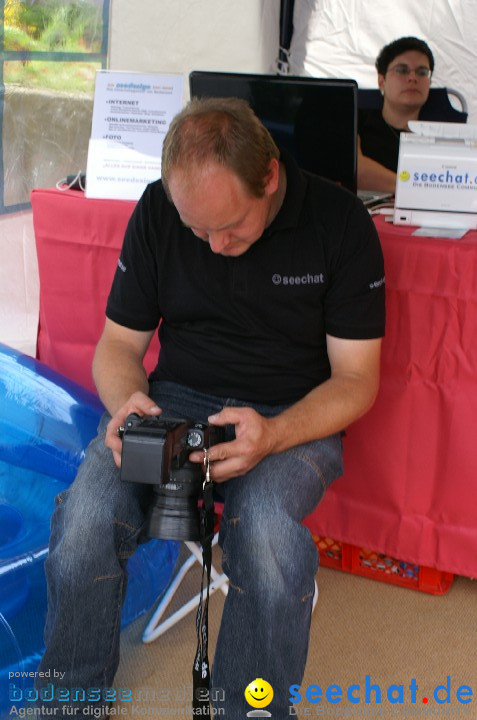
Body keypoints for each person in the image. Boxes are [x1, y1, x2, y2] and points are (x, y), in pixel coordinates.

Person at [35, 97, 385, 718]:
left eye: (231, 227)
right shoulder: (157, 210)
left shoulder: (339, 224)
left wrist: (274, 433)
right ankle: (68, 706)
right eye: (198, 230)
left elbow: (356, 380)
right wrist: (126, 404)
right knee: (85, 522)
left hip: (293, 412)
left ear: (270, 176)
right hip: (175, 402)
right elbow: (119, 344)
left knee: (270, 541)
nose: (216, 245)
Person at [358, 36, 434, 193]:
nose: (413, 78)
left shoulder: (442, 134)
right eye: (402, 70)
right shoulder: (357, 120)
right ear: (381, 81)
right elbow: (356, 170)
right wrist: (415, 190)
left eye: (422, 72)